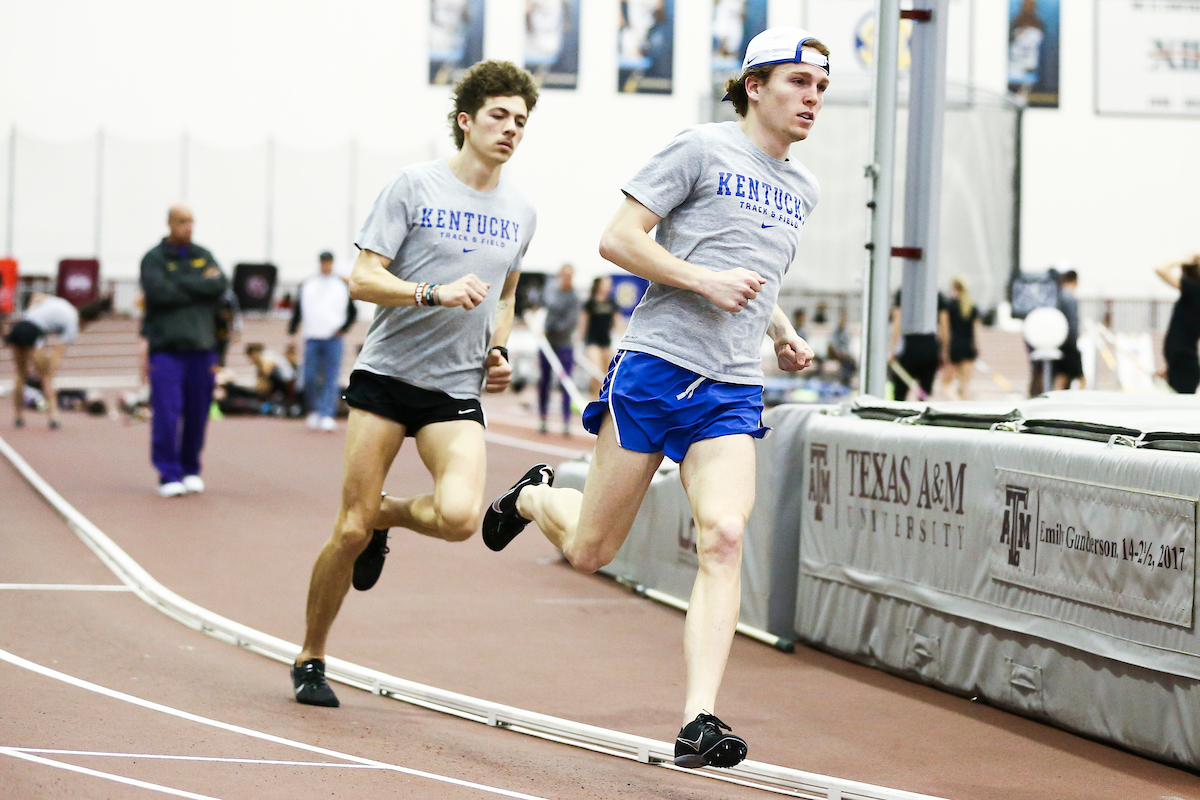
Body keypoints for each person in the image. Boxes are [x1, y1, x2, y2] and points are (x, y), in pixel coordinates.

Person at [482, 27, 824, 770]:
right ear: (755, 85)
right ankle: (537, 495)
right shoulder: (699, 148)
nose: (813, 98)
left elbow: (756, 278)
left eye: (821, 88)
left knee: (725, 536)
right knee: (589, 552)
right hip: (657, 367)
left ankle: (699, 718)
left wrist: (785, 332)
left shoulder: (806, 189)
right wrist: (701, 281)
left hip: (731, 387)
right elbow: (619, 239)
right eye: (799, 82)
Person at [290, 60, 539, 708]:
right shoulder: (415, 185)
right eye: (499, 116)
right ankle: (311, 655)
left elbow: (507, 294)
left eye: (521, 120)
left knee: (459, 518)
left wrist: (500, 346)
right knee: (346, 532)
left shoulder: (520, 211)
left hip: (455, 387)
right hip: (388, 375)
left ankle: (386, 519)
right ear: (466, 120)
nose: (511, 128)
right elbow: (363, 279)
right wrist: (432, 292)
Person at [140, 204, 228, 498]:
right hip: (167, 349)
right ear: (169, 223)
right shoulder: (153, 259)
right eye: (181, 222)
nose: (187, 227)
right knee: (166, 412)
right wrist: (198, 284)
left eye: (191, 221)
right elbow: (158, 293)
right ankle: (168, 473)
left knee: (198, 413)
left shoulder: (203, 254)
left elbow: (219, 285)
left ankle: (190, 469)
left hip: (202, 349)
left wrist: (181, 284)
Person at [5, 293, 108, 428]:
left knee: (20, 375)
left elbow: (37, 296)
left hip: (18, 327)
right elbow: (57, 355)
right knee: (46, 377)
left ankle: (18, 416)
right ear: (86, 321)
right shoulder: (72, 324)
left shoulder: (64, 304)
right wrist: (48, 368)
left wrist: (32, 311)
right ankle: (53, 416)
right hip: (32, 332)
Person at [290, 251, 357, 431]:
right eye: (323, 263)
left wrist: (342, 329)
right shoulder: (308, 284)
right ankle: (313, 409)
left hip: (333, 338)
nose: (325, 266)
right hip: (312, 336)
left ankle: (327, 413)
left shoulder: (341, 285)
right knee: (310, 377)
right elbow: (299, 309)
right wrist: (292, 328)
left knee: (331, 377)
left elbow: (352, 312)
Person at [538, 263, 581, 434]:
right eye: (564, 275)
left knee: (565, 382)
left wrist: (550, 328)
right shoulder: (550, 290)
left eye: (569, 275)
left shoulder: (574, 298)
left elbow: (570, 322)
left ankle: (566, 420)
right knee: (544, 381)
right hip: (547, 344)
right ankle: (543, 417)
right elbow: (541, 306)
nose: (566, 279)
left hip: (564, 344)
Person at [1157, 254, 1200, 394]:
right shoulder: (1192, 293)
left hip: (1184, 361)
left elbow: (1160, 270)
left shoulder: (1194, 289)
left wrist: (1182, 259)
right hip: (1180, 361)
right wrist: (1170, 368)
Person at [939, 276, 979, 400]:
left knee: (946, 384)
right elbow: (976, 331)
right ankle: (965, 408)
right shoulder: (971, 307)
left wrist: (944, 351)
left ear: (953, 287)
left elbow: (945, 332)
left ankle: (957, 404)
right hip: (968, 346)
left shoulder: (948, 306)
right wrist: (976, 348)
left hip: (954, 347)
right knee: (964, 386)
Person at [582, 275, 617, 396]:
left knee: (606, 375)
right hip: (592, 342)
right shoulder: (590, 303)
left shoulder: (612, 303)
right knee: (595, 372)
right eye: (605, 283)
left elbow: (617, 323)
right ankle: (592, 398)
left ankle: (601, 400)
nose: (608, 286)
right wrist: (579, 341)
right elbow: (583, 323)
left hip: (606, 342)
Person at [1053, 270, 1084, 390]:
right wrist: (1073, 340)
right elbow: (1072, 322)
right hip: (1069, 343)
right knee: (1076, 377)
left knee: (1062, 376)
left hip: (1061, 341)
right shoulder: (1069, 297)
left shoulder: (1058, 296)